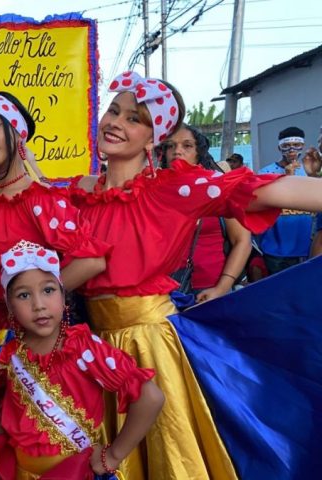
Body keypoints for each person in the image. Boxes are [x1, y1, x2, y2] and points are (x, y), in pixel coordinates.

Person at [66, 71, 322, 479]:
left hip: (148, 348)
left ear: (153, 140)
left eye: (135, 119)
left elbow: (273, 190)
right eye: (113, 111)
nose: (116, 121)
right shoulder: (80, 191)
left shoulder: (174, 189)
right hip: (91, 348)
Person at [0, 241, 164, 479]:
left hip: (74, 472)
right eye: (24, 295)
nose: (38, 305)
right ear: (10, 306)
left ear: (64, 297)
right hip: (20, 471)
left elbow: (150, 397)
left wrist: (114, 455)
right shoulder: (5, 345)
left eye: (48, 290)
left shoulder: (83, 348)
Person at [0, 86, 109, 363]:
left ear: (17, 131)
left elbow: (92, 261)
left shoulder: (42, 200)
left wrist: (29, 301)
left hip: (26, 342)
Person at [160, 125, 252, 301]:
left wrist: (222, 288)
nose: (177, 151)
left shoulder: (218, 187)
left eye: (187, 146)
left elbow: (242, 241)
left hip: (212, 290)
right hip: (162, 292)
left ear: (198, 152)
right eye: (170, 146)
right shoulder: (154, 190)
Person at [256, 127, 316, 275]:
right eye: (286, 146)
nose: (291, 150)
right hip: (275, 249)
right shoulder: (265, 173)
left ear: (303, 146)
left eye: (297, 145)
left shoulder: (308, 171)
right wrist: (288, 177)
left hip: (305, 247)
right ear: (279, 147)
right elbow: (262, 205)